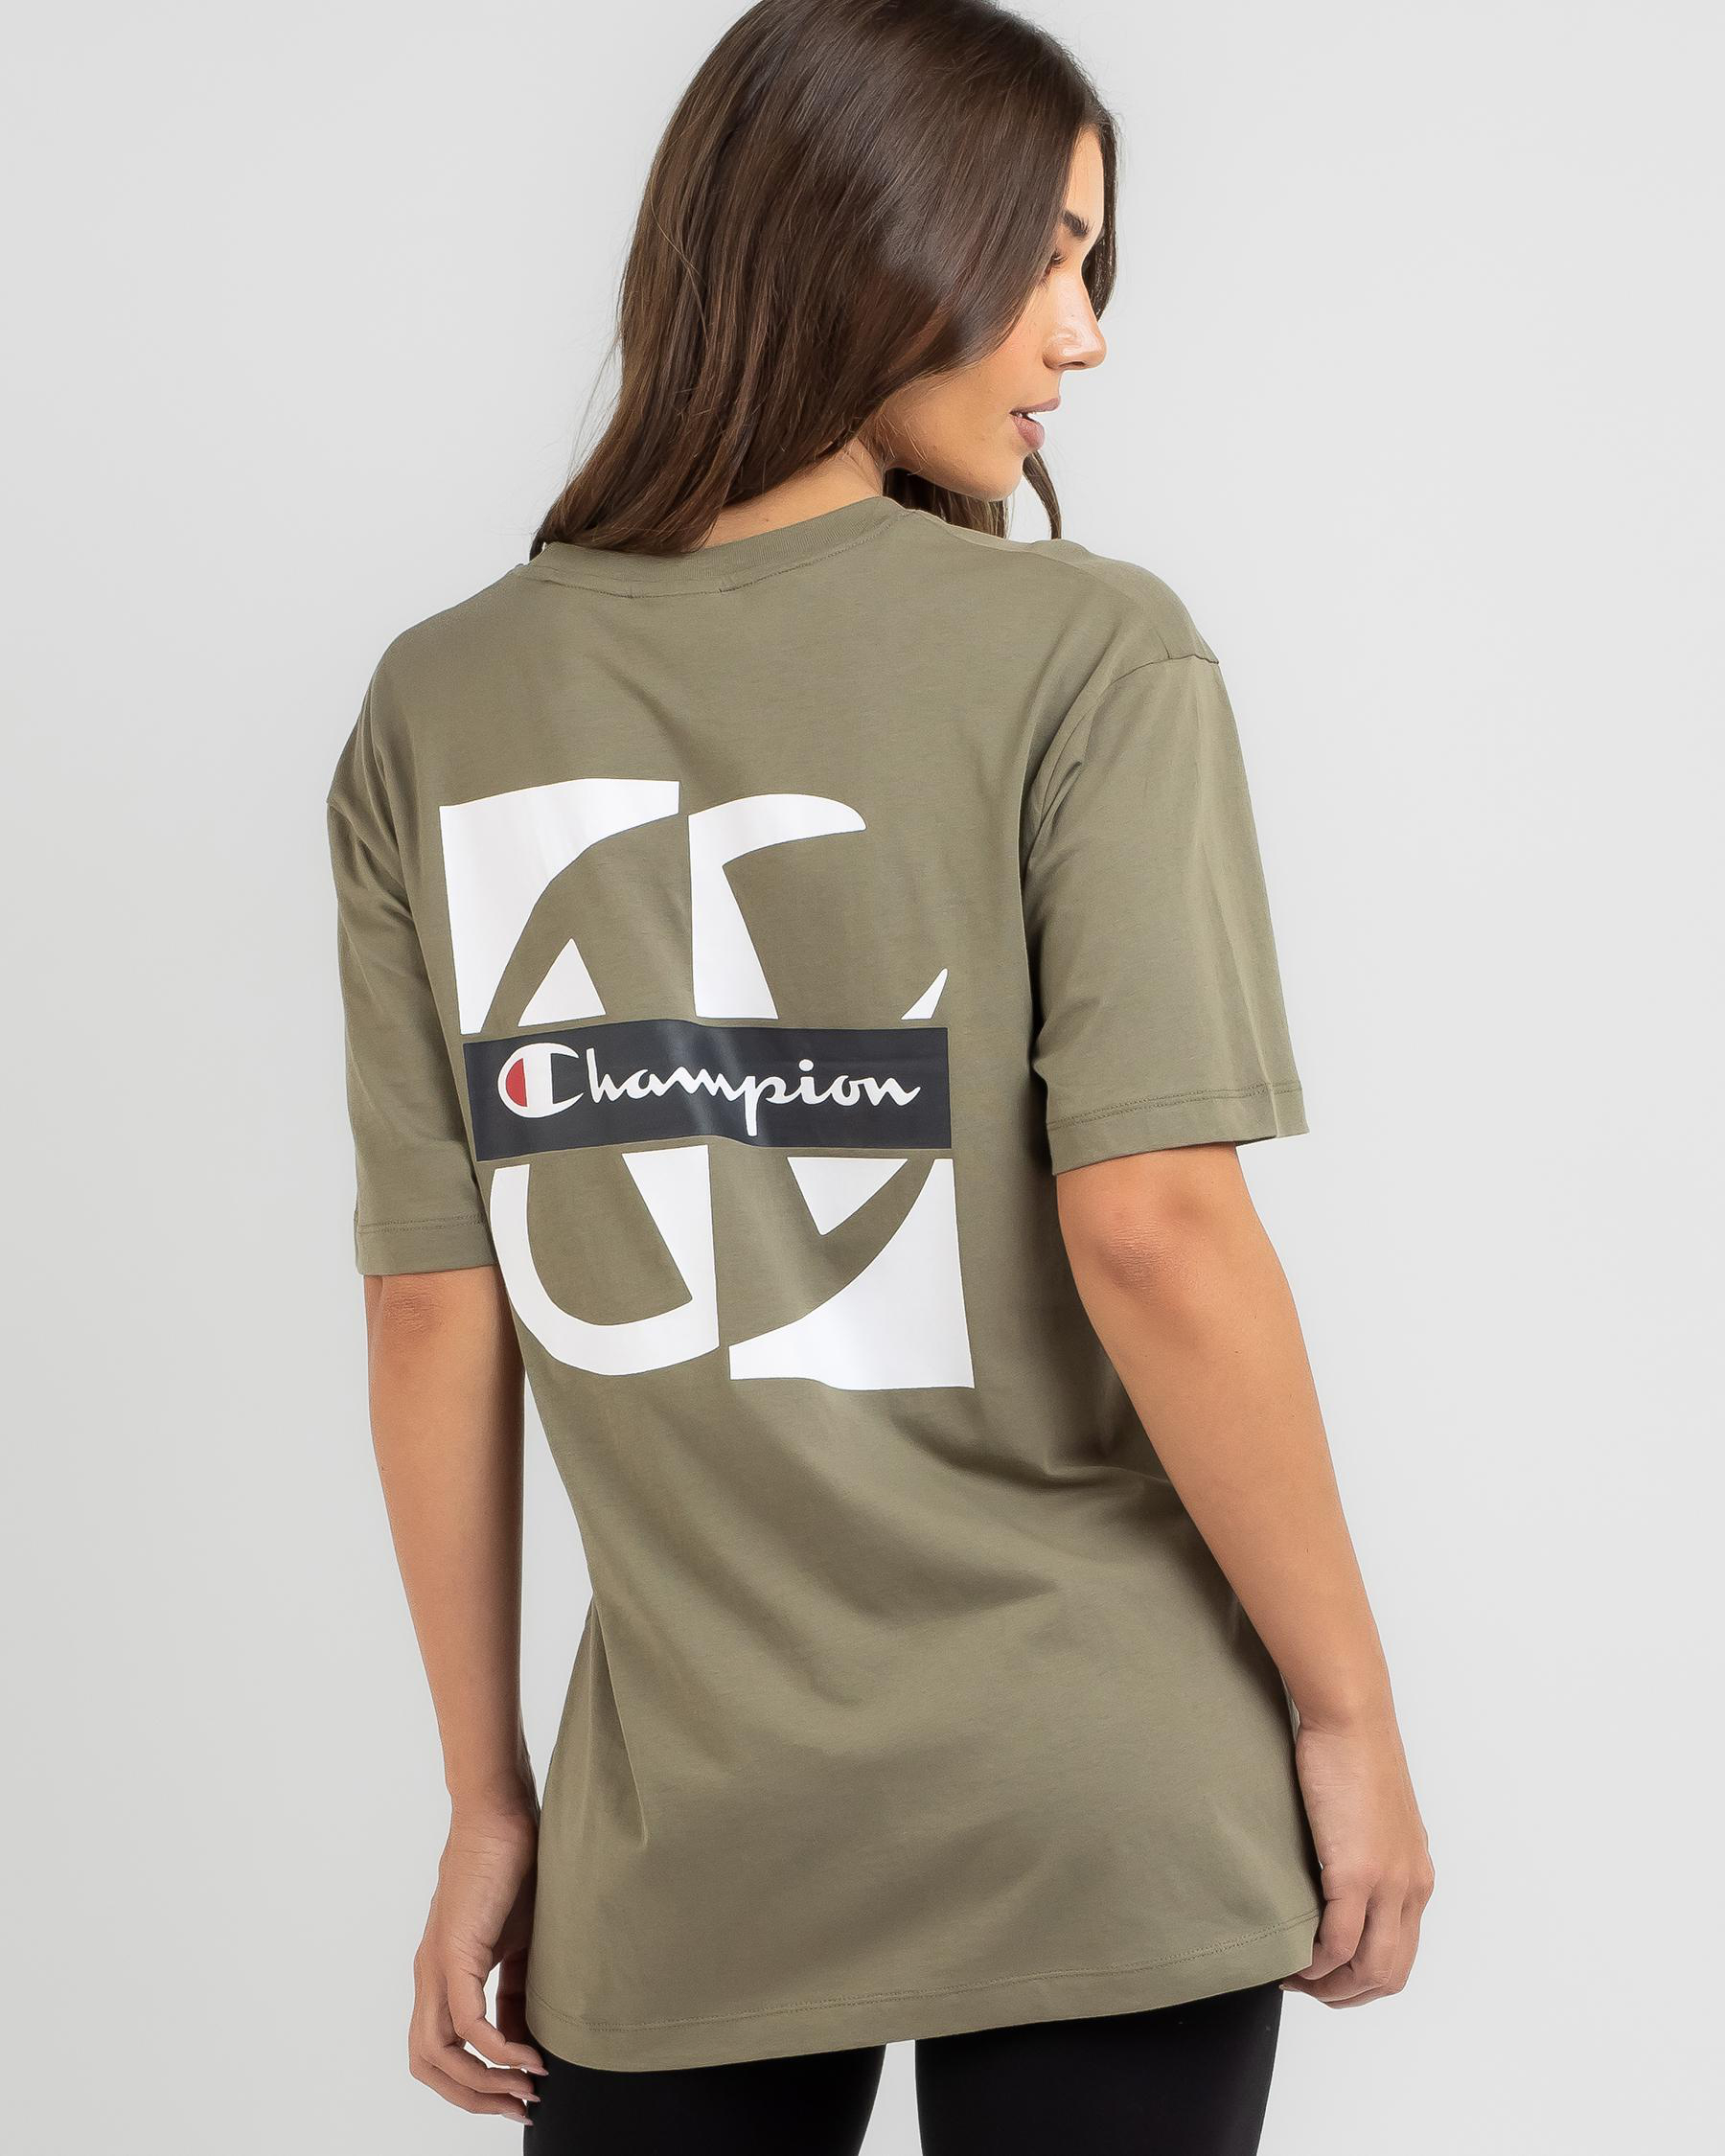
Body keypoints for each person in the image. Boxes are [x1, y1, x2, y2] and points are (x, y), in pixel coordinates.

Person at [324, 2, 1434, 2149]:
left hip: (688, 1834)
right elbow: (1158, 1227)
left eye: (1093, 268)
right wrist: (1350, 1711)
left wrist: (487, 1801)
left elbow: (431, 1308)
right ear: (868, 232)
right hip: (1098, 1784)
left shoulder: (433, 708)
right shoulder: (1089, 652)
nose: (1082, 336)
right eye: (1046, 257)